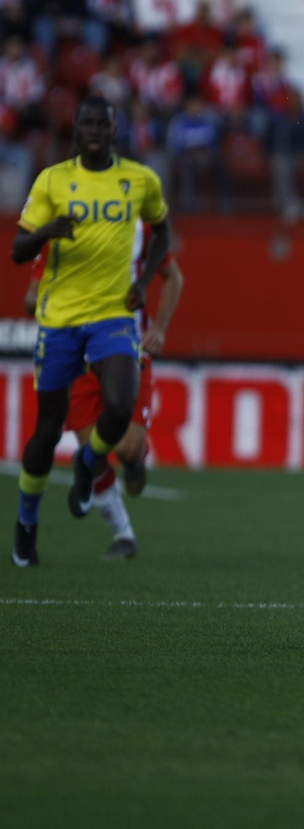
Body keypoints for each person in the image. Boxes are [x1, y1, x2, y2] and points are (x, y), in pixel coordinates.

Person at [11, 97, 171, 568]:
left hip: (113, 317)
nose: (95, 130)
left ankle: (86, 466)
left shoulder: (139, 180)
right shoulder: (52, 180)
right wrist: (46, 233)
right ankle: (26, 524)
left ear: (115, 129)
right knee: (45, 430)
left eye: (104, 122)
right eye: (88, 123)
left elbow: (164, 234)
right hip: (60, 319)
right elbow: (20, 250)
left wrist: (142, 285)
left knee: (120, 407)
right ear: (76, 130)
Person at [24, 221, 184, 559]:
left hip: (127, 349)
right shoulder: (61, 235)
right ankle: (124, 535)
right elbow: (32, 295)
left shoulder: (134, 228)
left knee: (126, 448)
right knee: (91, 455)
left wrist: (160, 328)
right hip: (77, 357)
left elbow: (174, 277)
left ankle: (135, 459)